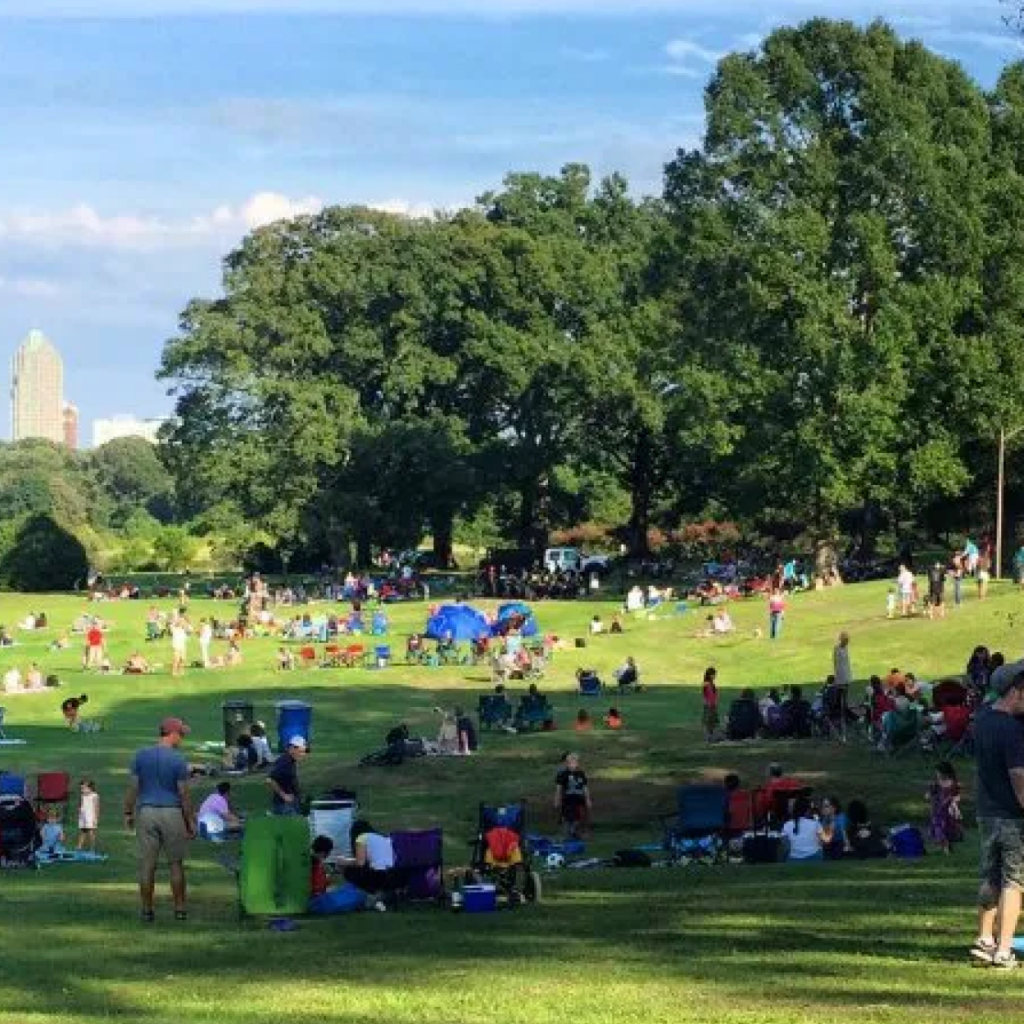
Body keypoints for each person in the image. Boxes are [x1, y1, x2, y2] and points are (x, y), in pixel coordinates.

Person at [970, 661, 1024, 969]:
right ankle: (1004, 951)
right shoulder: (1012, 730)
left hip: (986, 812)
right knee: (1013, 881)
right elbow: (1019, 777)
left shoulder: (983, 719)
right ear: (1015, 692)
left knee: (989, 875)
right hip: (1011, 815)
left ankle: (984, 939)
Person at [124, 716, 195, 922]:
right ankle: (180, 909)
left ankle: (147, 910)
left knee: (147, 864)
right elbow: (183, 793)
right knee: (175, 864)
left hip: (146, 812)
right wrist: (189, 820)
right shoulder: (177, 759)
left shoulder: (140, 756)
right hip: (171, 812)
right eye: (181, 734)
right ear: (172, 734)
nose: (182, 738)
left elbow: (134, 787)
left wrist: (128, 812)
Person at [343, 819, 395, 911]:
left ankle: (368, 894)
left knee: (349, 871)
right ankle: (382, 893)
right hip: (392, 874)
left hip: (379, 876)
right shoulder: (384, 837)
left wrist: (344, 862)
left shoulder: (361, 838)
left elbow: (360, 863)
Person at [926, 761, 963, 855]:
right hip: (937, 810)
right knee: (939, 829)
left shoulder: (954, 784)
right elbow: (927, 796)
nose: (937, 774)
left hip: (949, 811)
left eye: (938, 772)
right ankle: (943, 847)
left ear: (944, 772)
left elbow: (957, 797)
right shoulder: (936, 784)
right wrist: (930, 794)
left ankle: (947, 848)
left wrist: (953, 802)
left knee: (948, 829)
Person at [267, 735, 308, 815]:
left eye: (303, 752)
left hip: (291, 804)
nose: (302, 754)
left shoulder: (291, 760)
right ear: (292, 748)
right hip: (285, 806)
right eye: (300, 751)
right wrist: (284, 795)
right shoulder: (284, 762)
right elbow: (270, 780)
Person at [555, 752, 591, 839]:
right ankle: (566, 833)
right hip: (568, 800)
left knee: (579, 817)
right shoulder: (562, 774)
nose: (573, 764)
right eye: (571, 762)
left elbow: (585, 787)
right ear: (567, 763)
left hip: (579, 799)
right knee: (567, 817)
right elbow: (559, 789)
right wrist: (557, 800)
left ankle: (575, 832)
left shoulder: (581, 773)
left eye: (575, 762)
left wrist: (588, 799)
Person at [782, 797, 824, 862]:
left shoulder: (787, 825)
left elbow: (785, 845)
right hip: (814, 857)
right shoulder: (815, 824)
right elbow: (822, 841)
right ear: (808, 810)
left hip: (794, 858)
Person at [77, 778, 100, 851]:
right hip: (83, 817)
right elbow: (81, 805)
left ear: (90, 788)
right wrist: (79, 810)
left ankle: (92, 848)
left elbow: (97, 807)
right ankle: (79, 846)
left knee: (91, 832)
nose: (82, 790)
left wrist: (95, 818)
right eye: (81, 788)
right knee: (82, 832)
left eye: (83, 788)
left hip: (90, 817)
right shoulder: (82, 796)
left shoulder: (94, 796)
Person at [701, 667, 719, 742]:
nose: (715, 676)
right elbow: (707, 695)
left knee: (712, 722)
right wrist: (710, 703)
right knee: (708, 721)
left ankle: (711, 736)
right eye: (713, 674)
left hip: (712, 705)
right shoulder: (707, 684)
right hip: (709, 705)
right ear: (710, 674)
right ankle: (708, 737)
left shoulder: (711, 683)